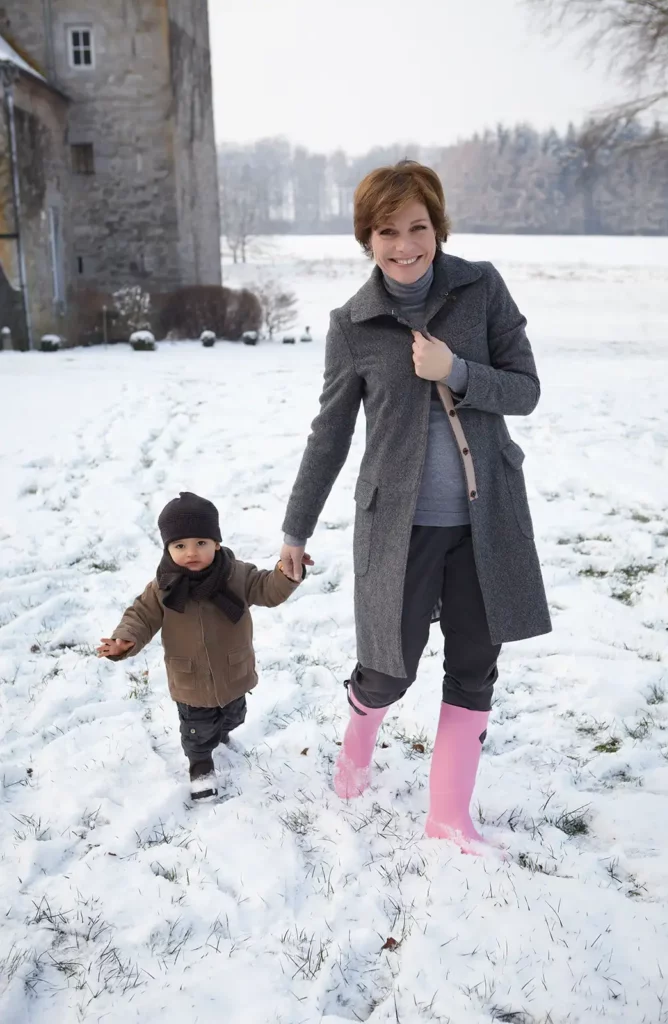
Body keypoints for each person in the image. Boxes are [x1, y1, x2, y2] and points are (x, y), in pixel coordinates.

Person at [280, 161, 551, 853]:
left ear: (438, 227)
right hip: (397, 530)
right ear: (366, 239)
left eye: (418, 227)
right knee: (388, 670)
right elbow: (329, 434)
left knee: (473, 666)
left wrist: (455, 371)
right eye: (387, 232)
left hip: (485, 523)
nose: (405, 245)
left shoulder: (481, 289)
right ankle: (357, 740)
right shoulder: (353, 325)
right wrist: (295, 530)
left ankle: (448, 817)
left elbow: (524, 389)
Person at [97, 492, 308, 801]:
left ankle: (222, 734)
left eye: (200, 543)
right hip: (191, 679)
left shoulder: (237, 575)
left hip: (233, 672)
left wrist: (285, 574)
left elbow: (267, 589)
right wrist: (125, 639)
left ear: (217, 543)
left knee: (234, 716)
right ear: (168, 549)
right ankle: (201, 768)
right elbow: (140, 616)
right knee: (197, 733)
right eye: (180, 546)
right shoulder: (164, 587)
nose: (191, 552)